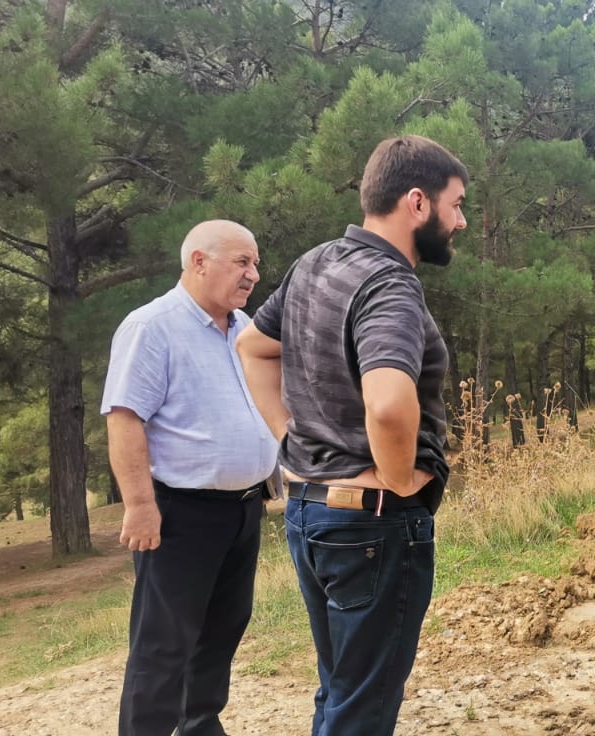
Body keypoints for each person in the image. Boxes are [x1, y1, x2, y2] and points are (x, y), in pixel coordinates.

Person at [236, 134, 468, 736]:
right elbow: (390, 406)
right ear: (417, 202)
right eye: (456, 204)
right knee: (361, 710)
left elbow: (254, 347)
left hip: (310, 512)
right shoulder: (390, 285)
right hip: (371, 522)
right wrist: (399, 484)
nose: (461, 221)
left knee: (341, 690)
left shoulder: (315, 262)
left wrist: (290, 439)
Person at [103, 220, 278, 736]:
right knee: (163, 644)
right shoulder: (152, 326)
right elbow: (125, 417)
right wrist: (139, 505)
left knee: (221, 632)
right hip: (180, 513)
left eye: (256, 263)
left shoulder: (246, 329)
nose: (253, 274)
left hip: (243, 510)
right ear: (199, 261)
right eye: (241, 262)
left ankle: (200, 725)